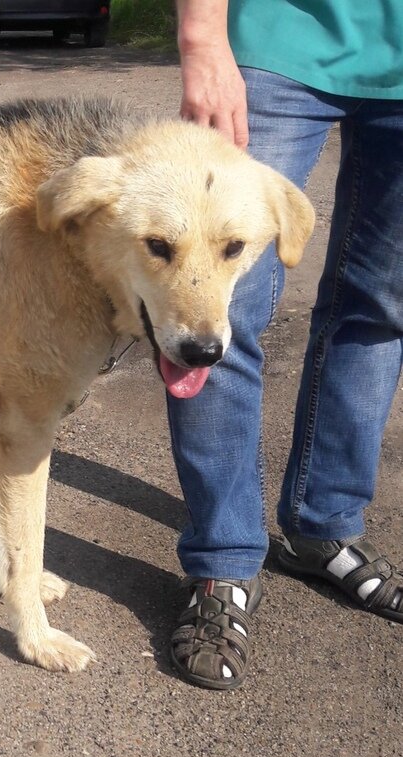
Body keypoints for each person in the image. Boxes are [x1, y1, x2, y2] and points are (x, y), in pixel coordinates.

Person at [168, 0, 403, 689]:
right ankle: (222, 559)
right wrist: (202, 38)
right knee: (220, 308)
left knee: (381, 308)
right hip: (275, 38)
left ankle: (321, 526)